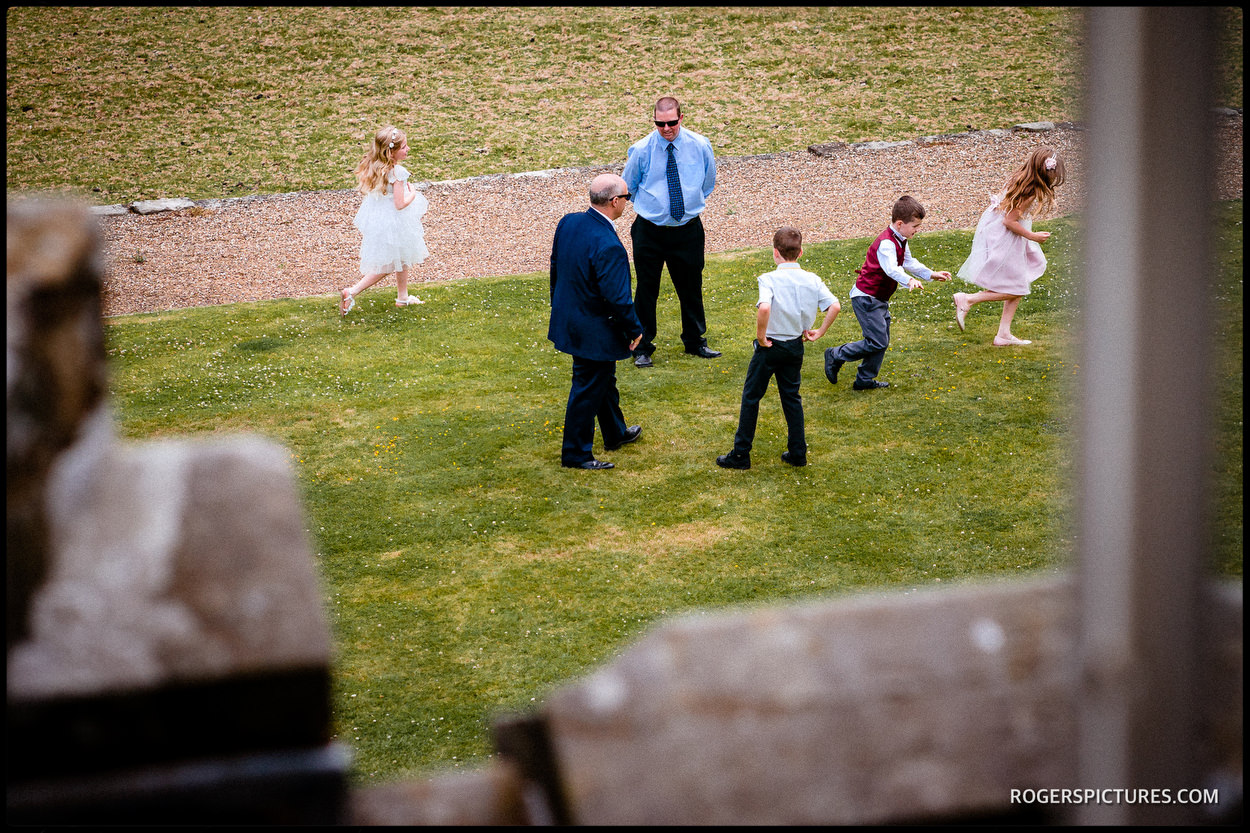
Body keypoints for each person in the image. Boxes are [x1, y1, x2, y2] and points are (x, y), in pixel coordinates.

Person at [717, 227, 840, 470]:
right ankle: (797, 453)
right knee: (792, 397)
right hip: (795, 346)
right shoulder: (812, 279)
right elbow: (834, 306)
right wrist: (819, 331)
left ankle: (740, 455)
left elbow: (764, 308)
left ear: (775, 253)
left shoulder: (769, 279)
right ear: (801, 252)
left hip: (770, 346)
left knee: (752, 397)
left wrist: (761, 337)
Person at [548, 173, 645, 470]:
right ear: (615, 201)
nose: (627, 203)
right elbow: (618, 298)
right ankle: (576, 454)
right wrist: (634, 329)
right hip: (595, 327)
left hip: (571, 317)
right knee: (588, 386)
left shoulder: (569, 222)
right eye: (627, 198)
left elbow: (556, 267)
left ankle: (615, 432)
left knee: (603, 377)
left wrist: (559, 305)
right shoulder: (608, 245)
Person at [621, 96, 720, 367]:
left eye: (671, 123)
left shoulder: (699, 145)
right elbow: (628, 186)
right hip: (649, 232)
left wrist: (687, 205)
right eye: (660, 124)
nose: (666, 129)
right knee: (646, 289)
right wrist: (656, 207)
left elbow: (707, 182)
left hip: (687, 231)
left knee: (690, 287)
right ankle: (641, 346)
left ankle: (695, 341)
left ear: (681, 118)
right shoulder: (641, 150)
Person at [823, 195, 951, 390]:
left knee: (880, 341)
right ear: (900, 223)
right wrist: (908, 280)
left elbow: (908, 262)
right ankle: (836, 354)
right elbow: (891, 269)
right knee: (877, 341)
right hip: (866, 297)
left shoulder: (901, 239)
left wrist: (931, 274)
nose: (917, 230)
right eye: (915, 226)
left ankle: (864, 380)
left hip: (879, 299)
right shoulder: (886, 244)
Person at [952, 146, 1067, 345]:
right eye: (1053, 175)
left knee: (1018, 281)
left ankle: (1003, 334)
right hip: (1007, 236)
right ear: (1044, 173)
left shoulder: (1020, 177)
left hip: (1000, 231)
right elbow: (1009, 221)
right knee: (1019, 288)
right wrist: (1032, 236)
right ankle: (968, 299)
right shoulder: (1030, 190)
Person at [340, 125, 429, 315]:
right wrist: (412, 194)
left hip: (383, 217)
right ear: (392, 152)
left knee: (402, 256)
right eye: (404, 147)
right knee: (389, 263)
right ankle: (352, 291)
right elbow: (400, 203)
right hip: (395, 219)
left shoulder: (376, 166)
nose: (408, 149)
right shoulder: (398, 172)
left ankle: (402, 297)